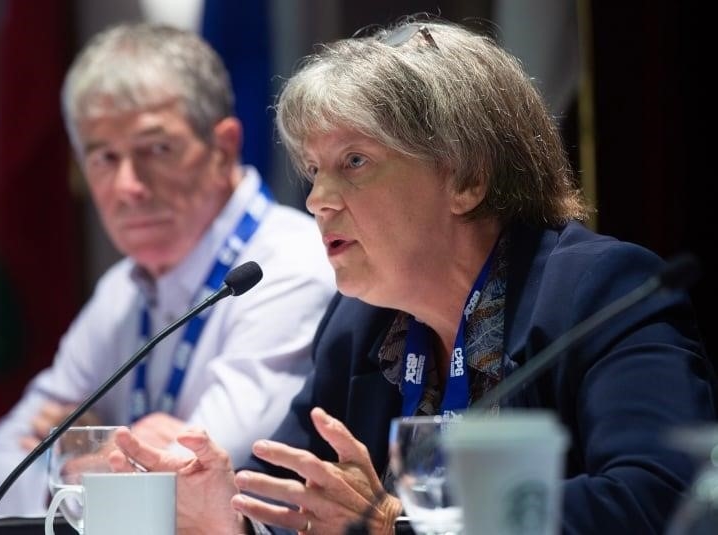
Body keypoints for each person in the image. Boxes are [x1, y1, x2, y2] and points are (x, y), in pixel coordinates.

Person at [108, 17, 717, 534]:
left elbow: (663, 501)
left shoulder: (600, 293)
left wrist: (405, 522)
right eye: (315, 170)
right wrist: (234, 517)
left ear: (466, 178)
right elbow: (308, 504)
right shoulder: (361, 325)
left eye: (354, 162)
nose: (319, 198)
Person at [0, 22, 334, 517]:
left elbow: (193, 497)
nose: (128, 186)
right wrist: (104, 465)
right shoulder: (121, 290)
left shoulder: (289, 268)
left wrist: (70, 453)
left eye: (156, 149)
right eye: (105, 157)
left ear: (224, 147)